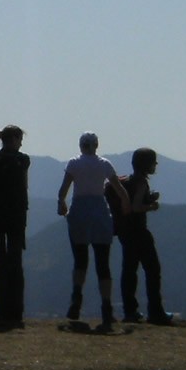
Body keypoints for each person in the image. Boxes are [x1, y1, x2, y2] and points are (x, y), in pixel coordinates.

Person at [57, 132, 130, 332]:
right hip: (99, 212)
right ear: (96, 145)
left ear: (81, 145)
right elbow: (118, 189)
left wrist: (61, 203)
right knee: (103, 262)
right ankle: (106, 307)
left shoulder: (73, 163)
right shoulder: (104, 164)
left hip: (80, 211)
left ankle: (76, 299)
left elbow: (64, 189)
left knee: (80, 260)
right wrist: (126, 204)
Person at [117, 148, 173, 325]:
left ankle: (130, 311)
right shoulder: (141, 182)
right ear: (147, 164)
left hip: (126, 232)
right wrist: (151, 206)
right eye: (153, 162)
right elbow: (135, 207)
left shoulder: (128, 181)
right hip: (139, 232)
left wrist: (147, 199)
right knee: (153, 271)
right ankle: (156, 312)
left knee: (129, 271)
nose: (155, 165)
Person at [0, 125, 29, 327]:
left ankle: (2, 310)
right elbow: (24, 186)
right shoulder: (23, 160)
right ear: (16, 139)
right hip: (16, 217)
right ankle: (16, 311)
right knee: (15, 264)